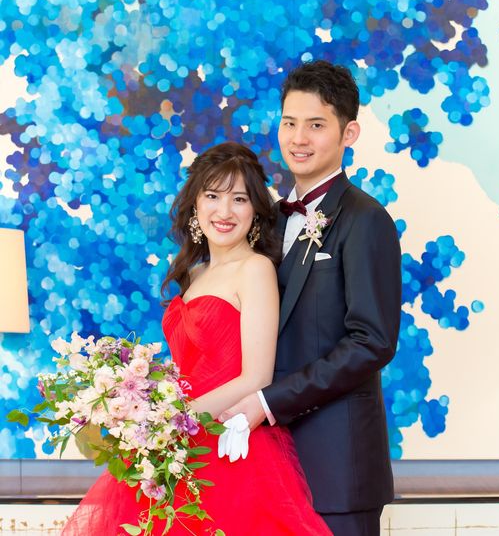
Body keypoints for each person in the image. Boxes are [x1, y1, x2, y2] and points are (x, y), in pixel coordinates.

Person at [62, 142, 331, 535]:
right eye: (213, 196)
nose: (224, 211)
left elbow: (255, 378)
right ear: (195, 205)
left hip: (227, 442)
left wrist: (171, 419)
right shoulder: (194, 274)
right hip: (178, 445)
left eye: (239, 199)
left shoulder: (255, 269)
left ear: (255, 211)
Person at [220, 60, 402, 536]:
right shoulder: (268, 221)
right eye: (289, 123)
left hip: (337, 468)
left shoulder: (366, 220)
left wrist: (268, 402)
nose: (298, 138)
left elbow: (372, 342)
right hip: (263, 463)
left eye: (316, 125)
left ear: (349, 133)